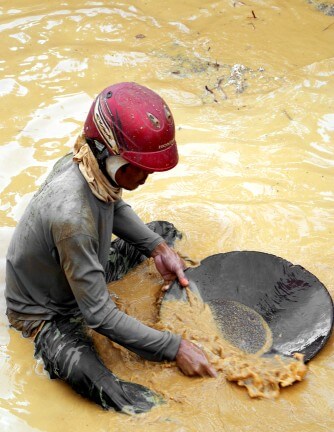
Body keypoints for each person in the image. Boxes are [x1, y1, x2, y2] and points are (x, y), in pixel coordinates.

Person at [5, 82, 216, 414]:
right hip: (46, 313)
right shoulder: (72, 219)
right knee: (111, 391)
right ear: (112, 156)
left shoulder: (87, 162)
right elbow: (99, 315)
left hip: (83, 266)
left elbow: (113, 206)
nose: (147, 175)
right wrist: (174, 347)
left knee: (163, 231)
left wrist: (158, 249)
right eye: (141, 167)